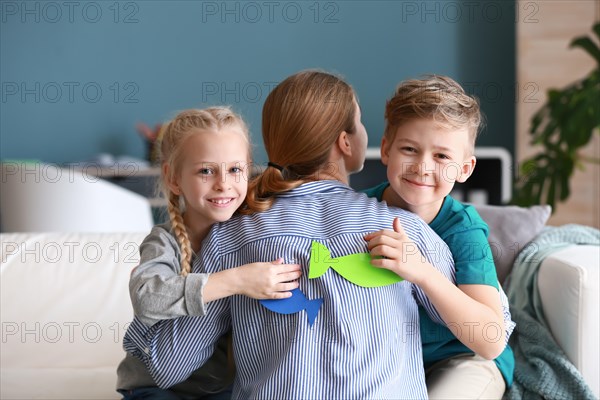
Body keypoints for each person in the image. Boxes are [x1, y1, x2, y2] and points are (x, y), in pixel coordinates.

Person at [122, 69, 460, 399]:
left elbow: (168, 366)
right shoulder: (405, 230)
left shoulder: (228, 239)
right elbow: (482, 333)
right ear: (345, 142)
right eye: (359, 124)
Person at [116, 107, 302, 399]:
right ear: (174, 178)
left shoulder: (252, 237)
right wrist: (238, 280)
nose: (223, 183)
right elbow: (147, 297)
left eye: (235, 169)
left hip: (221, 388)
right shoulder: (164, 242)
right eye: (206, 170)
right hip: (154, 385)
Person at [363, 75, 515, 399]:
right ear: (387, 149)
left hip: (463, 358)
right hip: (390, 362)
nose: (422, 167)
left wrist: (422, 271)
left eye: (442, 156)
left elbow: (489, 340)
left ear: (465, 167)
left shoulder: (464, 231)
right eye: (409, 149)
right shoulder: (358, 212)